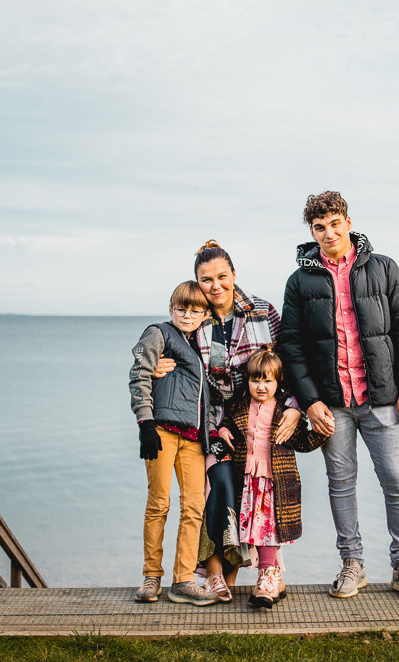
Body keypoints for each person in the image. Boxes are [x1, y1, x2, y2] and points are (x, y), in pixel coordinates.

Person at [278, 191, 399, 601]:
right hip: (332, 404)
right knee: (341, 482)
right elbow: (291, 345)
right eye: (318, 227)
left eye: (334, 223)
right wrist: (309, 401)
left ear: (348, 221)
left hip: (382, 398)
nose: (328, 233)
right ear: (311, 232)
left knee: (396, 481)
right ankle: (353, 564)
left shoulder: (383, 269)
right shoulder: (300, 281)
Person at [154, 241, 302, 603]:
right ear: (197, 282)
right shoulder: (194, 321)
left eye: (222, 276)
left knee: (258, 491)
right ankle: (213, 574)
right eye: (206, 280)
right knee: (214, 487)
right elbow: (169, 354)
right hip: (213, 423)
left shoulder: (264, 312)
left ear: (234, 275)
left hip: (258, 424)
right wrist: (156, 367)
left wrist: (296, 407)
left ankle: (268, 571)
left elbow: (292, 363)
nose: (215, 285)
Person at [128, 281, 218, 606]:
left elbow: (208, 394)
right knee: (159, 504)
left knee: (194, 507)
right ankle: (152, 577)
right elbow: (138, 374)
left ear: (204, 314)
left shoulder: (206, 347)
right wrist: (145, 423)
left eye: (195, 310)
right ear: (171, 309)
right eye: (181, 308)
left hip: (193, 439)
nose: (187, 315)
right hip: (162, 431)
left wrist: (212, 435)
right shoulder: (159, 333)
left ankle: (183, 580)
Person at [215, 347, 326, 609]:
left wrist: (323, 432)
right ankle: (273, 576)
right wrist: (221, 429)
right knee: (252, 532)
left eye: (268, 381)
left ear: (278, 382)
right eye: (256, 380)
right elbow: (229, 424)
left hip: (274, 481)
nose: (261, 386)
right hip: (246, 481)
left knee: (267, 530)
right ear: (248, 381)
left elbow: (302, 443)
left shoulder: (285, 413)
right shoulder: (239, 406)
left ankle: (265, 577)